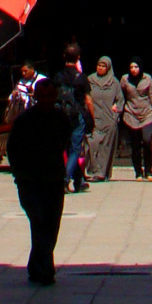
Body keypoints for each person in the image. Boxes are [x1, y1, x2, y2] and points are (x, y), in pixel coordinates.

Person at [6, 76, 72, 284]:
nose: (45, 100)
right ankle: (44, 269)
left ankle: (38, 266)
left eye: (49, 96)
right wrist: (19, 174)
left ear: (54, 97)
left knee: (51, 226)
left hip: (53, 181)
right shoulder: (24, 121)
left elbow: (66, 142)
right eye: (41, 96)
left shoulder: (60, 118)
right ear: (35, 97)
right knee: (39, 222)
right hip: (30, 182)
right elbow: (12, 149)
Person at [55, 41, 92, 193]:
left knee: (67, 147)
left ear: (64, 56)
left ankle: (79, 180)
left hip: (61, 115)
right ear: (78, 58)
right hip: (77, 116)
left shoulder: (58, 76)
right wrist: (92, 118)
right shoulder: (81, 78)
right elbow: (89, 101)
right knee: (75, 149)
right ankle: (65, 179)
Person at [85, 55, 123, 181]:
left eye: (103, 66)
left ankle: (102, 173)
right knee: (92, 145)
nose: (100, 68)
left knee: (106, 148)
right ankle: (93, 171)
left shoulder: (114, 82)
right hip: (94, 119)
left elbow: (120, 100)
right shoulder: (90, 80)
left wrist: (116, 113)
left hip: (108, 120)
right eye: (99, 65)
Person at [119, 58, 152, 179]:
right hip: (131, 114)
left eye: (136, 67)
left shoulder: (148, 78)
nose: (134, 70)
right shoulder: (125, 79)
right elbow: (121, 96)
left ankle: (149, 171)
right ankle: (138, 172)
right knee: (135, 145)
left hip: (147, 114)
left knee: (147, 141)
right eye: (131, 67)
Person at [6, 60, 44, 125]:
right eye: (22, 72)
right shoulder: (20, 82)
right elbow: (10, 99)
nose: (23, 73)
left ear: (32, 69)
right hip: (25, 115)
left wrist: (35, 95)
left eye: (25, 71)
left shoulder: (42, 80)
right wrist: (13, 95)